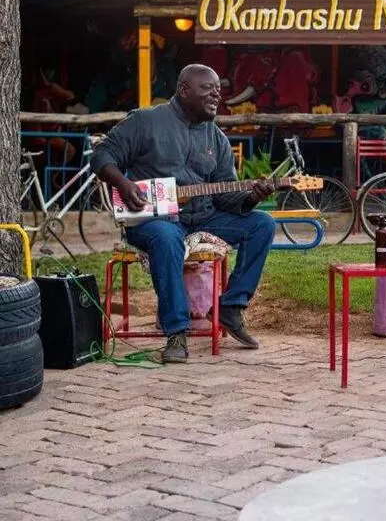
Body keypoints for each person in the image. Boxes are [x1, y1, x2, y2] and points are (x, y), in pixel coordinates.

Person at [91, 64, 277, 364]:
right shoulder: (146, 120)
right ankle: (176, 331)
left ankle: (230, 307)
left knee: (262, 225)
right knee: (166, 238)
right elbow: (102, 155)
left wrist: (252, 197)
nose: (216, 95)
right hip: (153, 220)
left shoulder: (216, 137)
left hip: (202, 217)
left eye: (219, 91)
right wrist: (124, 184)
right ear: (184, 90)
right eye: (208, 89)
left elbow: (226, 196)